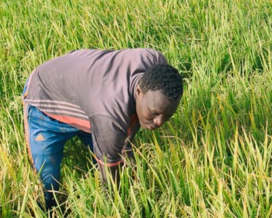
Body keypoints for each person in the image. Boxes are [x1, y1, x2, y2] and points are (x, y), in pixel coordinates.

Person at [21, 48, 183, 210]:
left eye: (167, 115)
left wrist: (126, 144)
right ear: (139, 91)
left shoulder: (155, 60)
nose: (159, 121)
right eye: (154, 113)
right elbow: (110, 174)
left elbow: (130, 125)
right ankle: (51, 208)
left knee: (116, 150)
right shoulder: (110, 115)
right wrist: (116, 205)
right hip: (45, 97)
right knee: (48, 178)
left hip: (87, 89)